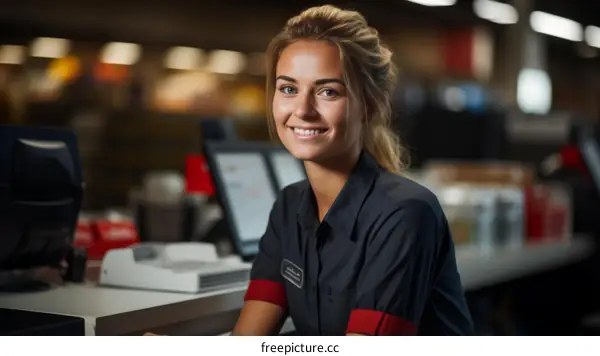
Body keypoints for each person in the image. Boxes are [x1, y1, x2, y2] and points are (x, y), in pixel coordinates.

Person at [232, 5, 473, 336]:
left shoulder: (404, 214)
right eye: (288, 88)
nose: (302, 110)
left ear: (369, 105)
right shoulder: (289, 207)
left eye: (328, 91)